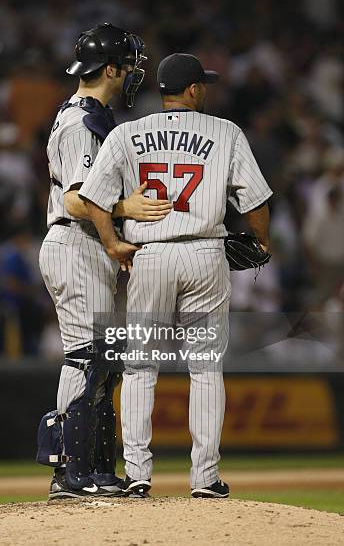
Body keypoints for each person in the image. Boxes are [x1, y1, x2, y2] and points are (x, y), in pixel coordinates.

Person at [79, 52, 272, 498]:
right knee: (205, 369)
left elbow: (93, 197)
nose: (204, 88)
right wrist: (261, 243)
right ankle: (204, 478)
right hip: (205, 254)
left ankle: (138, 474)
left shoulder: (128, 133)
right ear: (192, 90)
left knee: (140, 366)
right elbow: (255, 201)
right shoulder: (225, 132)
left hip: (150, 256)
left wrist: (111, 242)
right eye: (202, 83)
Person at [38, 24, 173, 499]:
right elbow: (77, 200)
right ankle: (68, 473)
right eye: (130, 65)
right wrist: (123, 210)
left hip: (87, 247)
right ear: (110, 69)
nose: (135, 72)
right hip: (74, 242)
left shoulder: (90, 115)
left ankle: (94, 469)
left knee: (102, 360)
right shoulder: (80, 122)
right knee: (85, 358)